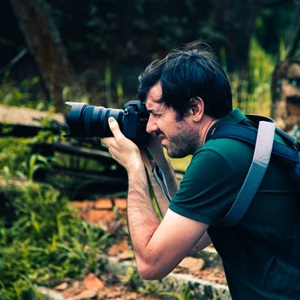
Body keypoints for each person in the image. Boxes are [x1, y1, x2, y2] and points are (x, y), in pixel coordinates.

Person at [101, 41, 300, 300]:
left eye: (157, 114)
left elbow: (150, 264)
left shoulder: (218, 158)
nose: (150, 126)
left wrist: (133, 167)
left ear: (195, 108)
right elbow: (194, 239)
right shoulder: (247, 135)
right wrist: (153, 158)